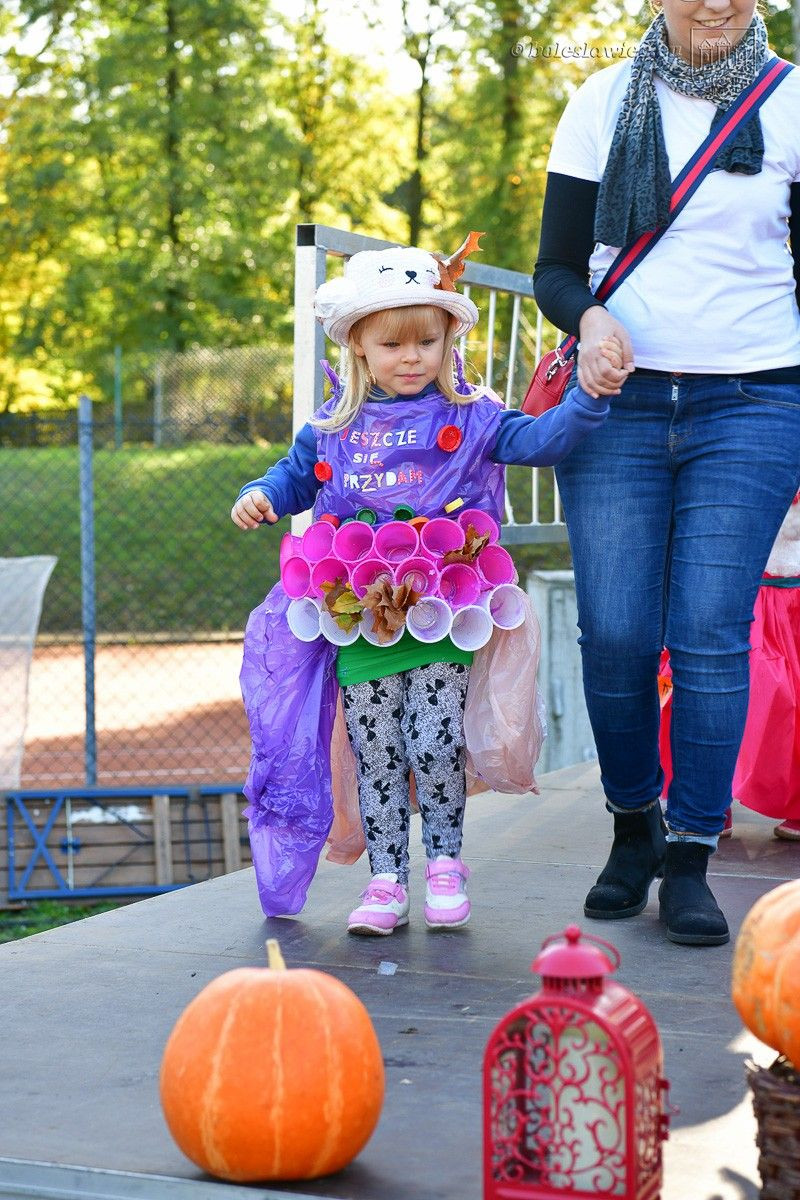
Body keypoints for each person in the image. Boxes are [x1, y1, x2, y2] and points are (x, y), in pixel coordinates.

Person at [232, 240, 609, 935]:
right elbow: (290, 478)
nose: (411, 357)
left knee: (434, 739)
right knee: (377, 746)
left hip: (444, 608)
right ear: (358, 348)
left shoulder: (474, 415)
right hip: (360, 613)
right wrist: (261, 493)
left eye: (426, 341)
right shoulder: (332, 426)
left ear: (447, 340)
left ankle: (443, 862)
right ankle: (385, 879)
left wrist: (588, 398)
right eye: (392, 344)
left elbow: (542, 442)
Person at [533, 0, 800, 946]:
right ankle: (631, 827)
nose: (718, 3)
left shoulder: (792, 103)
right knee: (613, 632)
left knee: (709, 636)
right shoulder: (602, 100)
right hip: (619, 403)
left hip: (755, 403)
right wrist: (591, 320)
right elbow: (557, 268)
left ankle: (691, 852)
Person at [660, 493, 800, 840]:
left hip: (785, 584)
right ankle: (706, 799)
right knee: (705, 683)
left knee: (785, 698)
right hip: (731, 582)